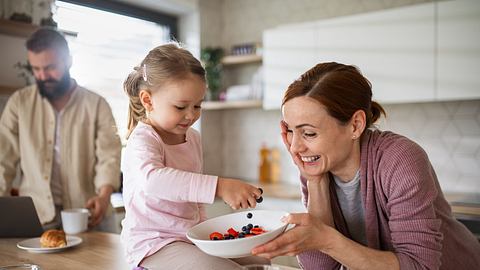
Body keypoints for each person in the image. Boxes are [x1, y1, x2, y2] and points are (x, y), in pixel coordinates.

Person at [251, 62, 480, 270]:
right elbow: (321, 269)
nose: (295, 147)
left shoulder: (400, 160)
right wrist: (315, 181)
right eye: (290, 131)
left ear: (355, 125)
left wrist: (326, 239)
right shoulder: (316, 165)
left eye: (309, 133)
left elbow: (420, 266)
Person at [121, 43, 268, 270]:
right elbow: (153, 181)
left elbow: (194, 202)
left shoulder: (193, 138)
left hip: (188, 237)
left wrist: (205, 232)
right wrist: (219, 186)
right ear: (148, 100)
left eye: (197, 105)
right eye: (181, 107)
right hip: (153, 244)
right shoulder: (143, 139)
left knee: (260, 260)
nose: (191, 115)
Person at [0, 28, 121, 231]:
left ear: (69, 61)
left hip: (90, 214)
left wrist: (104, 195)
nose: (43, 75)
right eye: (36, 69)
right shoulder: (19, 103)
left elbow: (109, 156)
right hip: (36, 217)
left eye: (50, 67)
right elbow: (3, 159)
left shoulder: (97, 104)